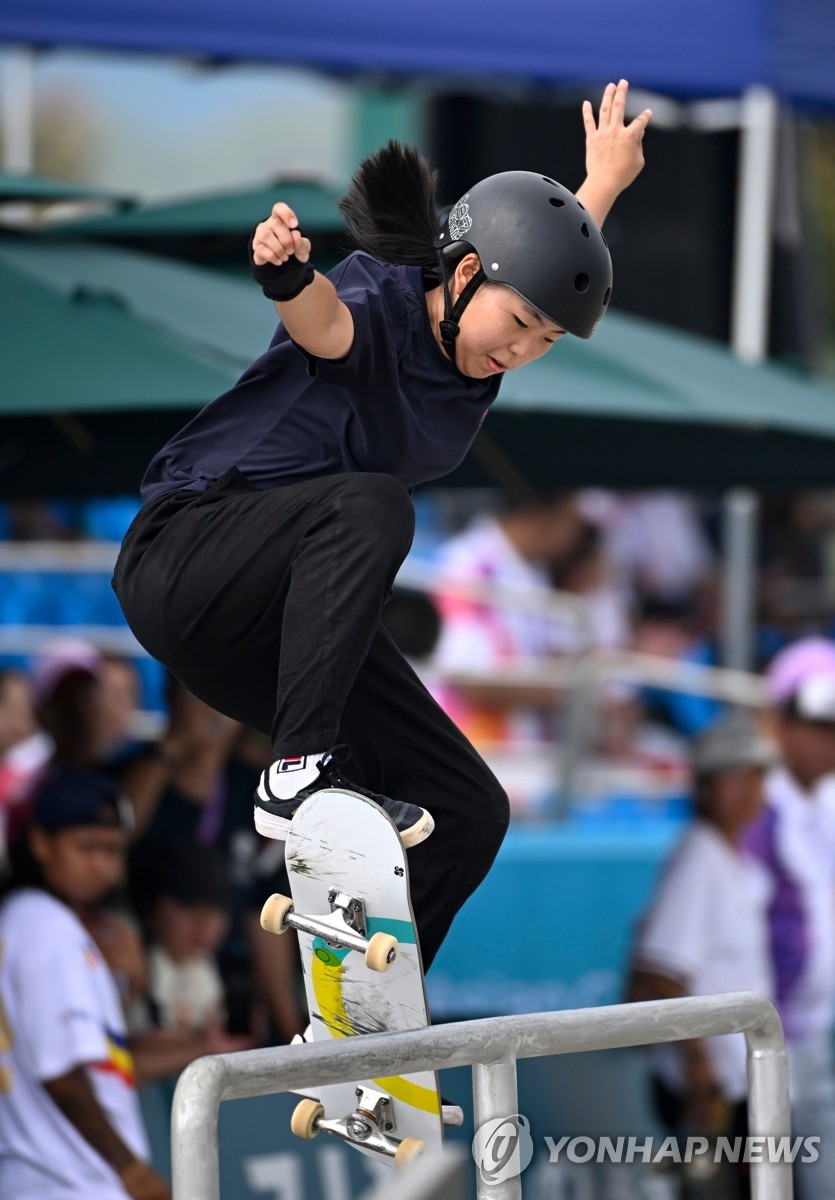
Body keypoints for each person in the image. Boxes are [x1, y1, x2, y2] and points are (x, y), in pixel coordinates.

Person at [112, 81, 652, 971]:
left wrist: (601, 186)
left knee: (468, 803)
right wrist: (287, 277)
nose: (518, 353)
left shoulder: (482, 332)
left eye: (542, 344)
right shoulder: (389, 297)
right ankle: (295, 777)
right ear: (465, 275)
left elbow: (535, 264)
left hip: (272, 632)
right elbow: (326, 327)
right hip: (186, 556)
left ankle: (367, 1027)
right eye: (517, 328)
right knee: (371, 503)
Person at [628, 711, 777, 1200]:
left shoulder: (728, 856)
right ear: (707, 787)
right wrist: (699, 1068)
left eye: (755, 776)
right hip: (711, 1091)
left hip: (737, 1082)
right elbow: (660, 970)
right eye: (733, 777)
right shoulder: (700, 856)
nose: (748, 790)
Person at [0, 769, 169, 1200]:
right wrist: (131, 1171)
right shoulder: (47, 927)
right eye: (86, 847)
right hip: (69, 1182)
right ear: (41, 843)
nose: (102, 865)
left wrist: (128, 988)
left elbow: (91, 1054)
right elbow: (62, 1074)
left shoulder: (26, 919)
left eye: (113, 850)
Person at [745, 638, 835, 1200]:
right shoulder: (751, 806)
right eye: (817, 724)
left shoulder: (822, 800)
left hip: (815, 1030)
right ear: (777, 722)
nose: (829, 740)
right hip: (764, 1036)